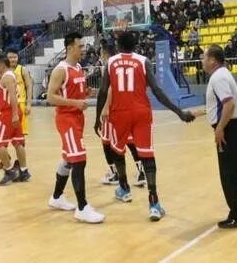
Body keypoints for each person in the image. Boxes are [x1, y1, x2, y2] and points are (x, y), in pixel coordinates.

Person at [96, 31, 195, 221]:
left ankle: (124, 188)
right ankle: (154, 203)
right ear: (135, 46)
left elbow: (102, 91)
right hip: (141, 112)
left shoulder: (111, 62)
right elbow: (157, 91)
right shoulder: (143, 61)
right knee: (147, 154)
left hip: (119, 113)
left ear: (118, 46)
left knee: (117, 151)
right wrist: (179, 112)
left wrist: (97, 117)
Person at [192, 45, 237, 229]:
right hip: (234, 127)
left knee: (228, 174)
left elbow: (229, 104)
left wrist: (219, 128)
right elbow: (221, 104)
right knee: (235, 171)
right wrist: (202, 112)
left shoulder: (218, 77)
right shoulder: (222, 74)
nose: (202, 61)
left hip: (229, 129)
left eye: (204, 57)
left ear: (212, 60)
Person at [46, 32, 105, 224]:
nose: (83, 49)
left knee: (68, 159)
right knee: (79, 160)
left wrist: (92, 92)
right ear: (70, 48)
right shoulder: (60, 70)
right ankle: (82, 207)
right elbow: (50, 97)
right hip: (67, 119)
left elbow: (79, 91)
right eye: (80, 46)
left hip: (78, 119)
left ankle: (56, 197)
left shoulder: (79, 67)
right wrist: (75, 103)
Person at [95, 44, 146, 187]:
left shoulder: (110, 65)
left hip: (114, 109)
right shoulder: (124, 64)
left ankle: (115, 174)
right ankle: (141, 171)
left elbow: (111, 87)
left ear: (105, 53)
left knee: (107, 141)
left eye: (101, 53)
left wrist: (105, 107)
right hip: (127, 107)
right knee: (129, 140)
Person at [0, 55, 29, 186]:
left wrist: (13, 114)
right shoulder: (10, 75)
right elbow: (8, 96)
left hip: (9, 113)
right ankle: (24, 171)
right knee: (18, 142)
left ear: (2, 64)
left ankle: (9, 171)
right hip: (13, 111)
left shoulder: (7, 77)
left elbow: (12, 96)